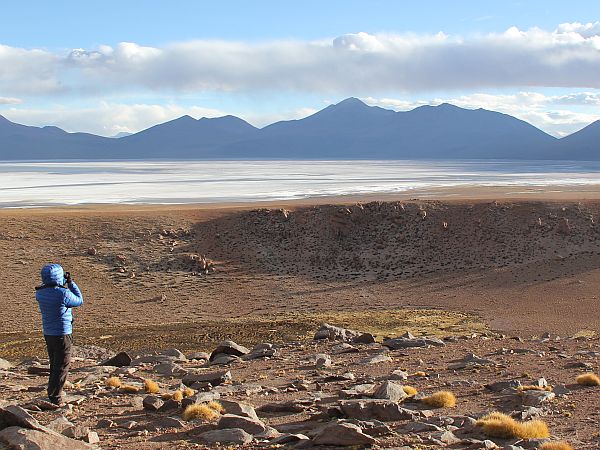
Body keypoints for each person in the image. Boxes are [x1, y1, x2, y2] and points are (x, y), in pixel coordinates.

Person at [35, 264, 84, 406]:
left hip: (49, 333)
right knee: (62, 365)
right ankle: (56, 398)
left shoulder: (40, 293)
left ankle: (52, 392)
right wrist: (70, 282)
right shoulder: (62, 293)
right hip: (62, 333)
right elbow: (79, 300)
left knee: (54, 364)